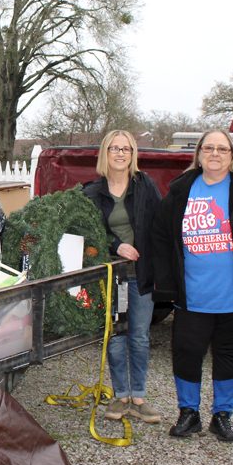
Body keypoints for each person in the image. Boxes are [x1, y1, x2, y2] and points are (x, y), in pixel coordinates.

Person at [152, 129, 233, 442]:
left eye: (222, 148)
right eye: (209, 148)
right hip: (193, 294)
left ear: (232, 154)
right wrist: (167, 282)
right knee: (186, 352)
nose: (215, 154)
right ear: (199, 153)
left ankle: (222, 415)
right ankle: (188, 413)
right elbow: (161, 236)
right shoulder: (181, 189)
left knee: (230, 353)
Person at [83, 130, 163, 424]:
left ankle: (138, 397)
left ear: (133, 155)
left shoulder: (145, 186)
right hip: (111, 276)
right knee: (115, 336)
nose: (120, 154)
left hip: (141, 274)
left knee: (139, 335)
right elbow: (89, 233)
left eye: (126, 149)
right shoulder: (92, 193)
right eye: (114, 148)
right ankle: (120, 395)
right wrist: (117, 245)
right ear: (105, 153)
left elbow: (160, 222)